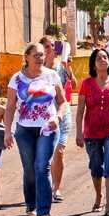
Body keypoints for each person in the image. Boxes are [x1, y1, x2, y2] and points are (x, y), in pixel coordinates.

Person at [3, 42, 68, 216]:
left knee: (42, 167)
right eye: (36, 55)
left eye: (42, 55)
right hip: (24, 130)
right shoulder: (16, 79)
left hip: (48, 128)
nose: (40, 58)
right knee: (29, 169)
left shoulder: (52, 76)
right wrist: (7, 131)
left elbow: (62, 102)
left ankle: (44, 209)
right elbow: (9, 107)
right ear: (27, 57)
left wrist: (58, 117)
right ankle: (30, 203)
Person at [75, 48, 109, 216]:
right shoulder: (86, 84)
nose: (103, 60)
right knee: (96, 167)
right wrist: (79, 132)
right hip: (91, 132)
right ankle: (98, 195)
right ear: (93, 63)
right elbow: (80, 110)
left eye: (105, 57)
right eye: (99, 58)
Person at [40, 35, 75, 203]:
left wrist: (69, 69)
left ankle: (56, 188)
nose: (50, 49)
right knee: (45, 154)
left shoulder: (61, 66)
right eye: (46, 46)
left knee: (59, 153)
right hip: (44, 116)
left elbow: (74, 84)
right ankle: (43, 186)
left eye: (52, 45)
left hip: (62, 113)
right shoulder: (36, 70)